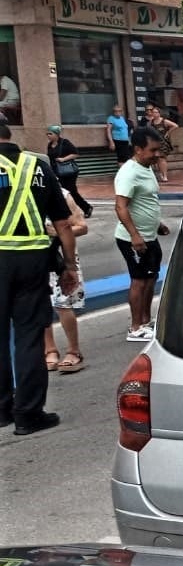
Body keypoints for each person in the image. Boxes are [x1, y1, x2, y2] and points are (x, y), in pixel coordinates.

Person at [0, 121, 80, 434]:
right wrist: (68, 266)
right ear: (11, 137)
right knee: (30, 338)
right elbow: (63, 224)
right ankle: (29, 413)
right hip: (33, 262)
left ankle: (2, 409)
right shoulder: (39, 166)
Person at [113, 128, 169, 342]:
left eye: (158, 150)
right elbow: (121, 207)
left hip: (149, 235)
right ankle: (135, 327)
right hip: (133, 239)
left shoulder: (146, 168)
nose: (156, 154)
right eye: (152, 150)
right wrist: (135, 236)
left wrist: (158, 224)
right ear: (137, 149)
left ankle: (146, 321)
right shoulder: (129, 172)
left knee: (151, 277)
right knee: (139, 280)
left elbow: (145, 201)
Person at [43, 209, 88, 375]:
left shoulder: (63, 195)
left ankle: (74, 351)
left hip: (63, 256)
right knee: (42, 303)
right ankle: (50, 350)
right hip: (38, 256)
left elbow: (82, 227)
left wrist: (57, 232)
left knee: (63, 304)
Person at [45, 126, 91, 217]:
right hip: (56, 171)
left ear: (57, 134)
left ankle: (86, 208)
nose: (48, 135)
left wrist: (63, 159)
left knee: (71, 191)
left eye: (50, 133)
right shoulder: (49, 145)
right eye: (47, 134)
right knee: (61, 191)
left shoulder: (65, 142)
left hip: (69, 172)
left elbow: (76, 154)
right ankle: (67, 211)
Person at [143, 103, 178, 183]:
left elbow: (175, 125)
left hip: (163, 142)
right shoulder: (150, 123)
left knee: (161, 158)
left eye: (156, 112)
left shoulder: (164, 121)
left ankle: (164, 176)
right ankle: (160, 174)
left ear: (159, 113)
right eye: (153, 112)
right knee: (155, 159)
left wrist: (168, 133)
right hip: (154, 142)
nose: (154, 114)